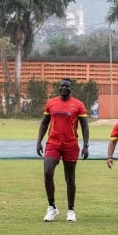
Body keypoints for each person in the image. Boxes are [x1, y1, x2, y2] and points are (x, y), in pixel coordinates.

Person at [36, 78, 90, 222]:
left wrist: (85, 145)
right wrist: (38, 141)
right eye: (61, 86)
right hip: (53, 143)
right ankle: (51, 207)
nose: (63, 88)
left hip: (71, 144)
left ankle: (71, 210)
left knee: (70, 178)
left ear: (71, 89)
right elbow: (44, 123)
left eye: (66, 86)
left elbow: (85, 126)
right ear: (58, 88)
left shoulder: (78, 105)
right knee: (48, 172)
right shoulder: (51, 103)